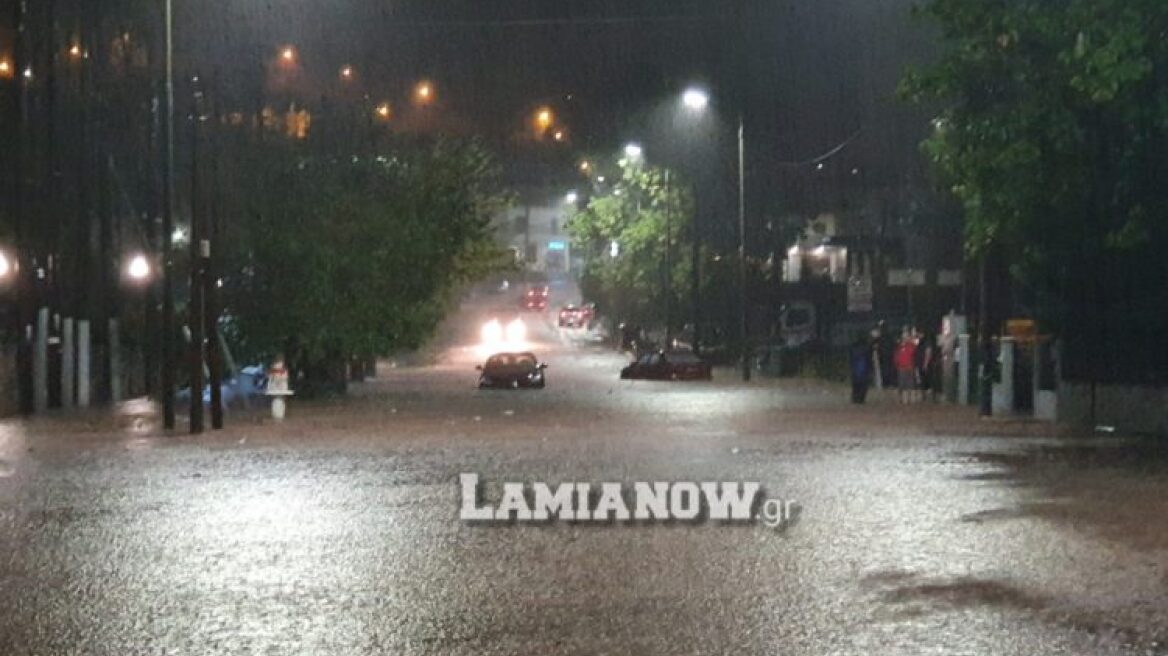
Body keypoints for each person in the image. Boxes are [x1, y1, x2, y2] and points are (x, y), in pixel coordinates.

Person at [894, 327, 917, 404]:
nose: (905, 338)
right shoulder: (899, 346)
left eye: (907, 336)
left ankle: (910, 399)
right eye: (904, 337)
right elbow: (896, 356)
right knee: (901, 383)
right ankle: (902, 399)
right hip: (901, 367)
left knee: (910, 383)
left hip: (909, 366)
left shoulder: (911, 345)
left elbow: (912, 352)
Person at [849, 333, 871, 404]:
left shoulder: (854, 346)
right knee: (863, 385)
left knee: (856, 385)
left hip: (856, 368)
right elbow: (869, 357)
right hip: (863, 368)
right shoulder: (866, 347)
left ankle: (855, 398)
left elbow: (851, 357)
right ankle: (860, 399)